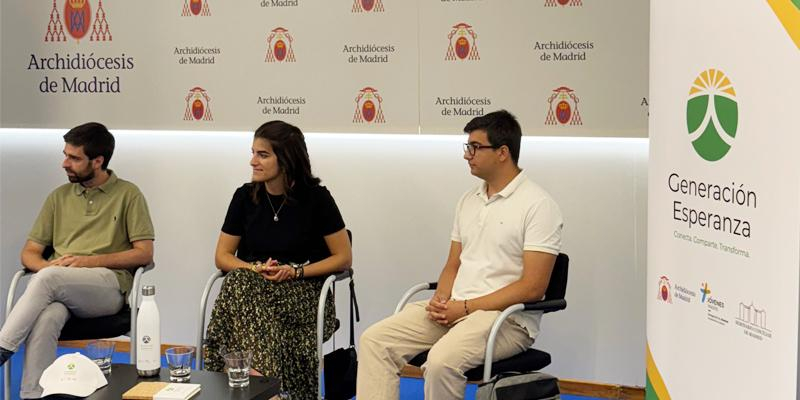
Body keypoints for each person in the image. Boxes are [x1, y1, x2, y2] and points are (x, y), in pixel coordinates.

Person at [357, 110, 564, 399]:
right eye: (468, 147)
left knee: (441, 362)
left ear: (503, 152)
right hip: (457, 309)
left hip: (506, 320)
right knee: (374, 341)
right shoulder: (469, 199)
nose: (468, 155)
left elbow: (533, 287)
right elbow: (453, 264)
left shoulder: (538, 205)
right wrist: (442, 299)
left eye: (475, 147)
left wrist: (466, 308)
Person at [0, 122, 155, 399]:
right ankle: (34, 395)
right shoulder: (58, 197)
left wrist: (86, 262)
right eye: (65, 155)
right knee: (47, 316)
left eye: (74, 158)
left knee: (47, 279)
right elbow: (29, 253)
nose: (64, 163)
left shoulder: (129, 194)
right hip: (60, 285)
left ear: (98, 161)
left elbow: (144, 253)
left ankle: (3, 347)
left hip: (107, 288)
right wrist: (52, 269)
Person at [203, 120, 352, 399]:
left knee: (239, 288)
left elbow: (343, 258)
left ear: (286, 159)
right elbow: (221, 256)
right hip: (252, 292)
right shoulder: (244, 197)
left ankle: (253, 384)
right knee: (242, 281)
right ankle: (269, 390)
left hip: (304, 294)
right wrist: (255, 268)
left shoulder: (317, 199)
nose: (252, 161)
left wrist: (295, 272)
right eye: (253, 152)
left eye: (262, 154)